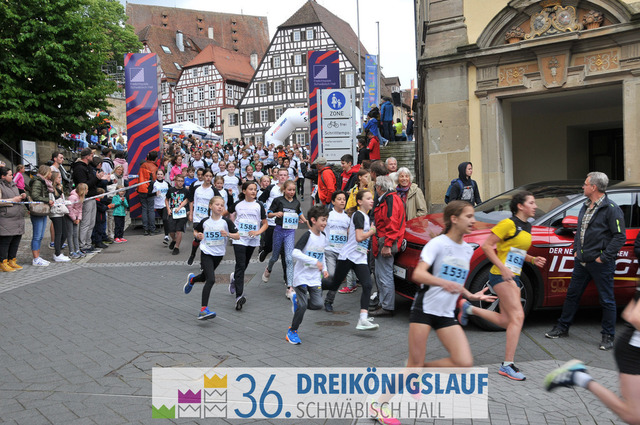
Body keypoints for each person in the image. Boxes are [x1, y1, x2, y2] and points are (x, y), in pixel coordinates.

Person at [459, 191, 547, 381]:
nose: (535, 206)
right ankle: (507, 365)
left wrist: (532, 259)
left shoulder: (527, 226)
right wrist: (502, 268)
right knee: (518, 316)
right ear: (520, 206)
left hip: (513, 276)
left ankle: (469, 309)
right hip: (500, 276)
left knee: (507, 320)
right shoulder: (508, 224)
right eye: (531, 203)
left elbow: (516, 252)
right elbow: (486, 246)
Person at [407, 200, 497, 369]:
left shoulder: (467, 250)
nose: (473, 221)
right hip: (424, 309)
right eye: (468, 216)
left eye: (473, 216)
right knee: (414, 365)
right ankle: (411, 372)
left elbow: (454, 281)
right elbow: (418, 274)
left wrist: (470, 295)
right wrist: (443, 283)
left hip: (446, 313)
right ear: (454, 219)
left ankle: (421, 369)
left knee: (464, 362)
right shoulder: (437, 244)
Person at [545, 172, 625, 351]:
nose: (583, 186)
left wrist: (603, 257)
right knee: (572, 295)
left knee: (607, 300)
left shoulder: (611, 208)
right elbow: (580, 231)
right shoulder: (585, 205)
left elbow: (619, 237)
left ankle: (608, 336)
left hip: (600, 263)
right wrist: (575, 250)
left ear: (594, 187)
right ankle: (562, 328)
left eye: (585, 184)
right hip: (581, 262)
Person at [544, 288, 640, 424]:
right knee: (633, 416)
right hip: (633, 352)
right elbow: (635, 317)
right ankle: (578, 376)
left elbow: (628, 312)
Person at [321, 190, 379, 331]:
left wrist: (364, 246)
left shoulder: (366, 217)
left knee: (367, 285)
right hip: (348, 256)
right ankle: (309, 286)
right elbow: (359, 237)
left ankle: (363, 319)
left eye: (372, 198)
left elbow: (356, 238)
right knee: (334, 283)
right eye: (368, 198)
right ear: (360, 201)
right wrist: (372, 232)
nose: (372, 200)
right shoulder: (358, 215)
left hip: (360, 257)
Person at [184, 196, 240, 320]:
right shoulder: (205, 221)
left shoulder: (226, 222)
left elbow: (238, 236)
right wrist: (198, 235)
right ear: (210, 206)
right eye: (217, 204)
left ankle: (192, 280)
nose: (220, 207)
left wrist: (228, 234)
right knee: (211, 279)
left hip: (219, 254)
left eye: (222, 205)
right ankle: (203, 310)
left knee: (204, 277)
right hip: (206, 252)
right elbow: (196, 231)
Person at [286, 206, 330, 344]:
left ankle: (296, 301)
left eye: (326, 220)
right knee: (303, 305)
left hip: (315, 277)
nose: (325, 223)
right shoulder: (308, 235)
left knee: (318, 304)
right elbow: (295, 252)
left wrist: (324, 268)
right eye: (323, 220)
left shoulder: (323, 237)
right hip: (301, 276)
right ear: (313, 220)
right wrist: (314, 261)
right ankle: (292, 331)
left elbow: (322, 255)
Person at [262, 180, 307, 298]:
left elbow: (299, 212)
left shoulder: (296, 202)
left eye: (293, 190)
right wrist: (276, 214)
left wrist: (305, 220)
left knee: (289, 259)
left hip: (290, 232)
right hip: (279, 231)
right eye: (289, 190)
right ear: (284, 190)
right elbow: (269, 213)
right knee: (274, 256)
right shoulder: (278, 200)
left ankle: (290, 287)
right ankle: (269, 268)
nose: (291, 192)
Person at [370, 175, 406, 317]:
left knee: (384, 275)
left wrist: (387, 244)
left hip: (385, 242)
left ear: (379, 187)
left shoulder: (389, 200)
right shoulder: (390, 199)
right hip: (384, 241)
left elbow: (392, 224)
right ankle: (384, 303)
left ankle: (386, 306)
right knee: (383, 274)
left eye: (375, 187)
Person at [229, 181, 268, 310]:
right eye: (250, 189)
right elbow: (225, 213)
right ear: (244, 191)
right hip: (239, 239)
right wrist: (232, 229)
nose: (253, 191)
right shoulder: (238, 204)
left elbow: (265, 224)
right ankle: (239, 296)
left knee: (244, 265)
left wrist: (257, 232)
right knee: (240, 265)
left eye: (255, 189)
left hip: (252, 239)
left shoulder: (259, 205)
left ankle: (234, 278)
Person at [323, 191, 356, 310]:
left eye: (344, 199)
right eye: (339, 199)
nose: (342, 201)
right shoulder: (328, 215)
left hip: (343, 252)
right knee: (331, 275)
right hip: (330, 250)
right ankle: (317, 288)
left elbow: (350, 233)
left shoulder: (348, 217)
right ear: (333, 202)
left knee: (338, 277)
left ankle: (329, 301)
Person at [72, 148, 103, 253]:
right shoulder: (79, 168)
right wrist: (96, 178)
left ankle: (88, 243)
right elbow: (84, 185)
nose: (93, 157)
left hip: (92, 196)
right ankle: (83, 245)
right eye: (92, 155)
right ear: (87, 156)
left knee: (91, 223)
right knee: (85, 222)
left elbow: (92, 182)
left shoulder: (88, 167)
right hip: (86, 197)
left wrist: (98, 179)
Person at [0, 166, 26, 272]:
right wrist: (13, 200)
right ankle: (3, 262)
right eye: (10, 175)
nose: (12, 176)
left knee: (16, 240)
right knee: (5, 241)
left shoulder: (14, 185)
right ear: (3, 176)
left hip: (17, 217)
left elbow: (16, 197)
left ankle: (12, 260)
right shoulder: (1, 186)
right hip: (6, 218)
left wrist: (21, 196)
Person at [29, 165, 53, 266]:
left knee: (40, 235)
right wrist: (47, 200)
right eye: (50, 172)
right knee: (37, 235)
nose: (51, 174)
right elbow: (35, 196)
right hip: (38, 210)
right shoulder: (38, 182)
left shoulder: (43, 182)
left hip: (42, 211)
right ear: (46, 173)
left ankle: (38, 256)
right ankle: (35, 258)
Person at [49, 171, 70, 262]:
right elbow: (54, 201)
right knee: (58, 233)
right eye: (58, 177)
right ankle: (57, 253)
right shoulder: (51, 189)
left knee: (65, 233)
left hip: (61, 212)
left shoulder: (59, 188)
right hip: (55, 213)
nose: (60, 179)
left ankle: (58, 251)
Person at [166, 174, 189, 255]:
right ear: (175, 181)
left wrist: (184, 209)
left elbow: (187, 200)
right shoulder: (171, 190)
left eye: (182, 181)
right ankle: (174, 239)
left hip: (182, 213)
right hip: (173, 212)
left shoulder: (185, 191)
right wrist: (168, 209)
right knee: (171, 230)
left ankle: (177, 247)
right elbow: (167, 199)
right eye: (178, 181)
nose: (180, 182)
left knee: (179, 230)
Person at [137, 151, 159, 236]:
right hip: (149, 190)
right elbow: (154, 179)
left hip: (141, 189)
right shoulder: (154, 167)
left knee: (144, 209)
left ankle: (145, 229)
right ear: (155, 158)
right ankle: (152, 229)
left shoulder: (143, 165)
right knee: (150, 210)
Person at [66, 183, 87, 259]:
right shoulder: (72, 197)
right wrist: (74, 218)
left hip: (76, 217)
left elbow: (80, 209)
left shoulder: (81, 197)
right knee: (70, 234)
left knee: (75, 234)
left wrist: (79, 218)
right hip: (70, 217)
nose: (87, 191)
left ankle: (77, 250)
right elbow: (69, 208)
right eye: (86, 189)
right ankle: (71, 251)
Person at [152, 170, 170, 244]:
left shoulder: (166, 183)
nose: (159, 176)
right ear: (156, 175)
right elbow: (148, 193)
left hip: (165, 204)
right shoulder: (154, 183)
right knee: (164, 219)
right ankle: (169, 230)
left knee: (165, 219)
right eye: (158, 174)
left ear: (163, 175)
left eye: (161, 174)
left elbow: (171, 191)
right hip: (157, 205)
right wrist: (154, 193)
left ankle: (166, 236)